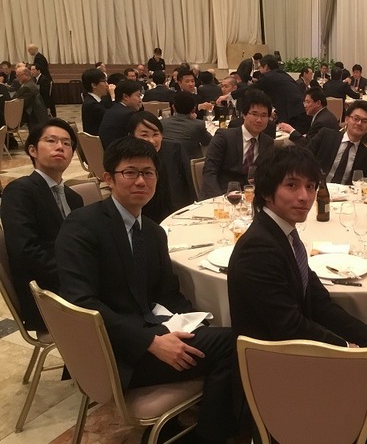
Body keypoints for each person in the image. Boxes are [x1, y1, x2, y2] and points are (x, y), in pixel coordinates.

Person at [55, 136, 237, 444]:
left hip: (149, 329)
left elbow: (168, 293)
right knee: (235, 344)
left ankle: (188, 427)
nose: (141, 181)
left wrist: (194, 324)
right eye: (130, 172)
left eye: (148, 173)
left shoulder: (153, 232)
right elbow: (81, 303)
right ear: (109, 178)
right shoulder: (82, 225)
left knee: (221, 336)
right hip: (112, 352)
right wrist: (150, 342)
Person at [227, 144, 367, 367]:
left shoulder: (283, 234)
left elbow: (318, 302)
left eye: (310, 186)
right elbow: (289, 325)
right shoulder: (258, 249)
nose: (304, 197)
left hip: (294, 353)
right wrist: (349, 349)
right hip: (272, 369)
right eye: (291, 185)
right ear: (267, 192)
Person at [1, 119, 83, 331]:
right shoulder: (20, 191)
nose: (60, 147)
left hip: (77, 286)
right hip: (47, 296)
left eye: (66, 143)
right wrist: (76, 276)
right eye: (51, 141)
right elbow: (25, 251)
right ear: (32, 150)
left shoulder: (73, 197)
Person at [201, 89, 274, 198]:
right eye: (254, 114)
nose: (259, 120)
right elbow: (209, 171)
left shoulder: (268, 142)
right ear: (244, 114)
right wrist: (217, 199)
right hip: (222, 194)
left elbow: (268, 175)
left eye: (264, 115)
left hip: (251, 197)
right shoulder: (224, 137)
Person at [126, 111, 192, 221]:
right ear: (131, 137)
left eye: (156, 134)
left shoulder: (174, 150)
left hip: (177, 214)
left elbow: (189, 186)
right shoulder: (126, 160)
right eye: (144, 135)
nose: (152, 141)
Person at [307, 100, 367, 184]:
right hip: (317, 187)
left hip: (346, 192)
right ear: (346, 119)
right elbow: (304, 158)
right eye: (356, 118)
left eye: (364, 121)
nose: (359, 123)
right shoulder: (325, 136)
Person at [161, 91, 212, 161]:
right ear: (194, 109)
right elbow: (208, 141)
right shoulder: (198, 125)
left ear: (173, 108)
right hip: (189, 164)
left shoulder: (162, 123)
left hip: (166, 162)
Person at [99, 79, 143, 149]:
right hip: (119, 152)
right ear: (125, 97)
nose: (140, 100)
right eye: (138, 96)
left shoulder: (111, 110)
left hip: (108, 150)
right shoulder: (128, 114)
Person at [81, 68, 112, 136]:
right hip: (98, 140)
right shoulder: (92, 104)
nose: (107, 85)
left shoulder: (98, 100)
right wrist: (113, 97)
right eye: (104, 82)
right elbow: (113, 117)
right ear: (94, 85)